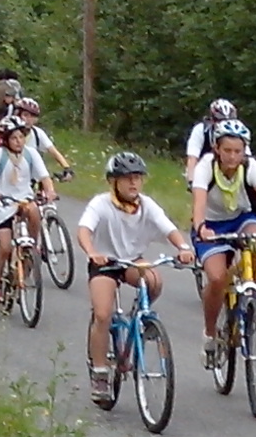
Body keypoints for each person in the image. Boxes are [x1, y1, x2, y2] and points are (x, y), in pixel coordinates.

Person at [77, 153, 194, 408]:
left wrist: (183, 247)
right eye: (128, 179)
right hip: (105, 264)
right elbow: (84, 230)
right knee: (103, 314)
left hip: (132, 260)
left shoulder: (147, 205)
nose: (134, 184)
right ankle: (99, 372)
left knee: (154, 280)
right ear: (113, 182)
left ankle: (139, 320)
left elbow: (168, 228)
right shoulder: (101, 204)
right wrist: (92, 252)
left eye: (138, 179)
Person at [189, 120, 256, 364]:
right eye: (227, 150)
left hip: (242, 219)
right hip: (212, 225)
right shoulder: (206, 167)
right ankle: (209, 333)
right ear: (216, 148)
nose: (233, 156)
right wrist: (200, 227)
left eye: (238, 151)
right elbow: (198, 203)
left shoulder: (251, 167)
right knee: (217, 278)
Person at [0, 112, 48, 302]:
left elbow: (44, 178)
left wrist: (49, 191)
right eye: (14, 138)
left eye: (21, 137)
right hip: (3, 203)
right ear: (6, 140)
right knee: (5, 247)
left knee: (34, 210)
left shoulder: (31, 154)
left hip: (23, 199)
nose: (18, 141)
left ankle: (32, 247)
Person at [184, 98, 242, 192]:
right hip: (204, 169)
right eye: (220, 121)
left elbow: (246, 157)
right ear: (212, 120)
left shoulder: (239, 132)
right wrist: (191, 181)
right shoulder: (201, 130)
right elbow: (192, 158)